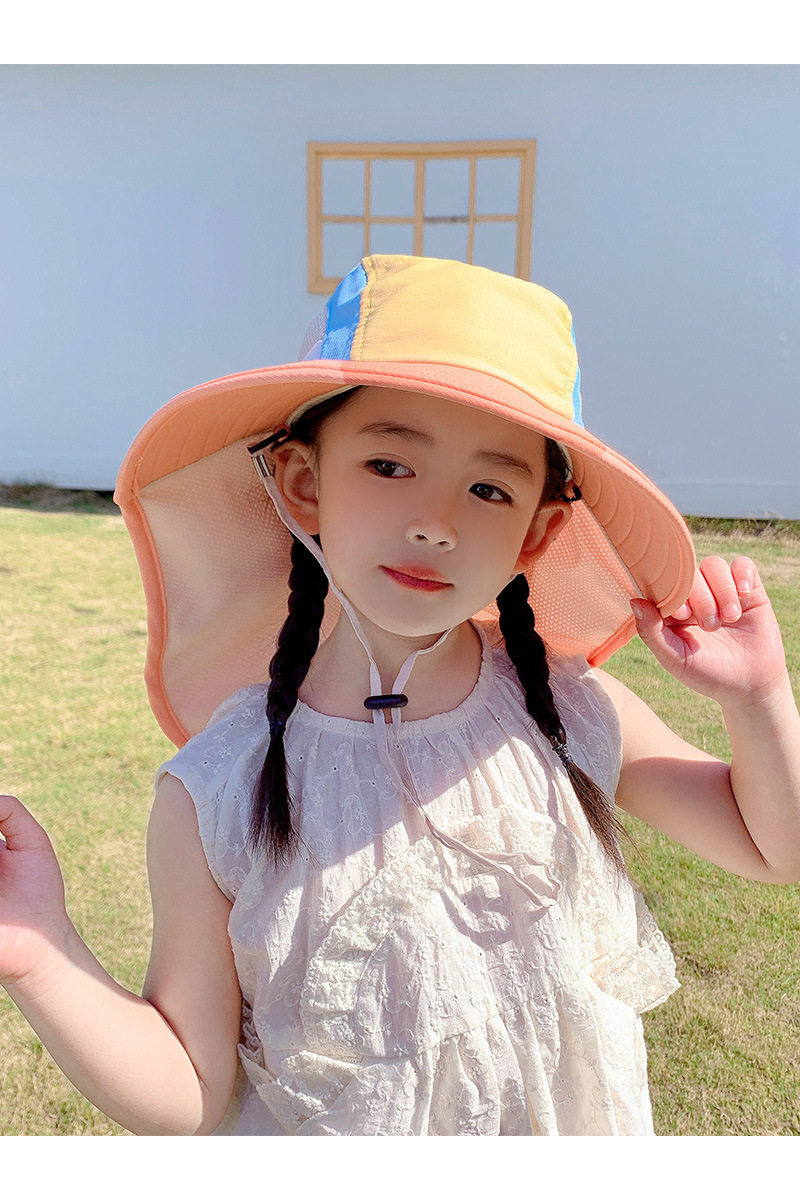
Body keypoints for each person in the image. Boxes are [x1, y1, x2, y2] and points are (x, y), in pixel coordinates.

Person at [1, 255, 799, 1137]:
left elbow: (774, 845)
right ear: (304, 484)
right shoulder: (216, 791)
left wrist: (758, 697)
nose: (435, 522)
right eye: (388, 464)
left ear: (537, 532)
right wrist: (41, 951)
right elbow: (188, 1086)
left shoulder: (569, 712)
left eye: (489, 488)